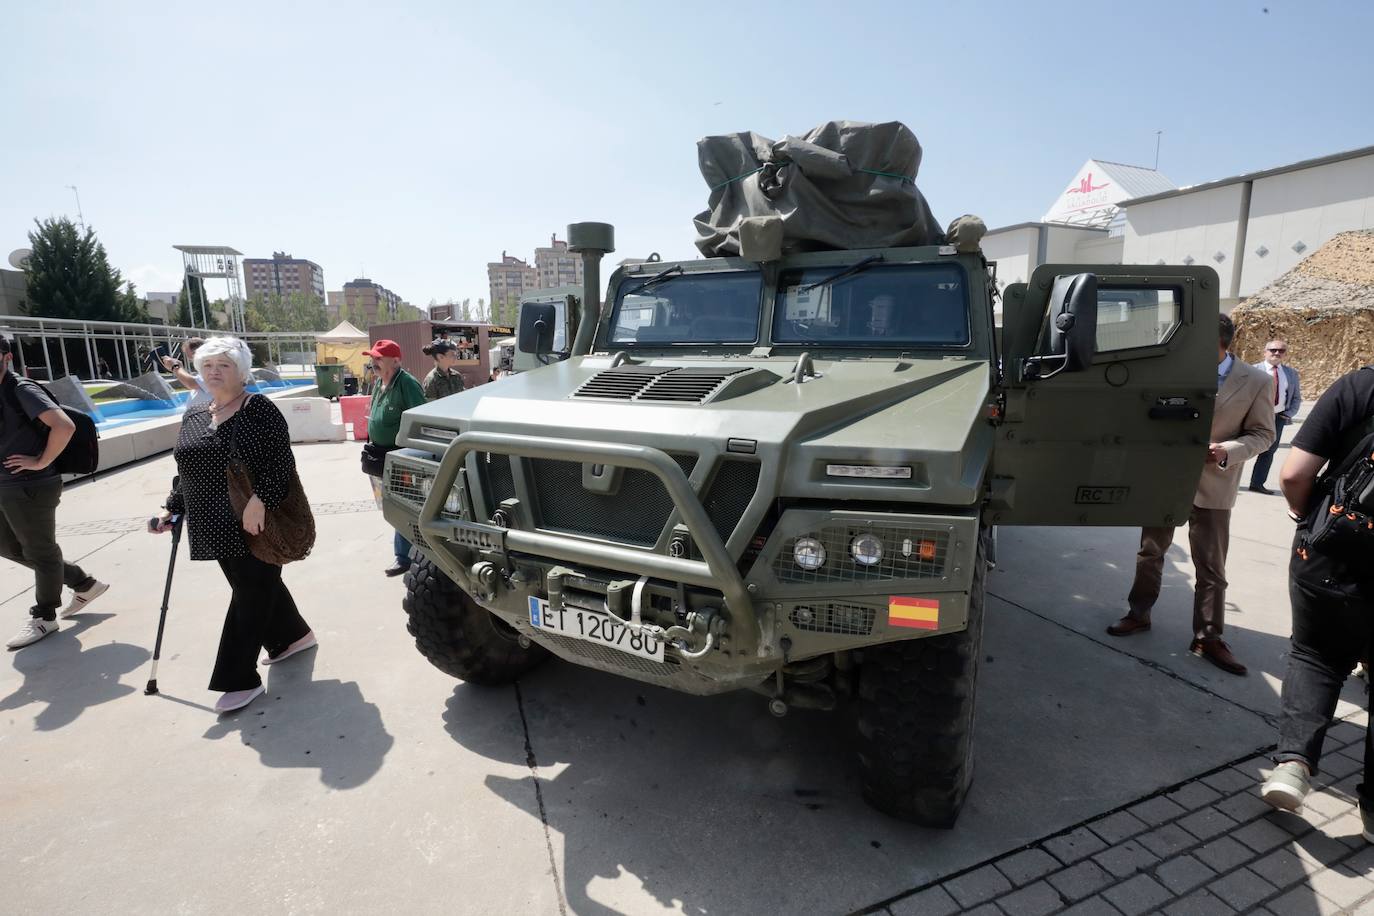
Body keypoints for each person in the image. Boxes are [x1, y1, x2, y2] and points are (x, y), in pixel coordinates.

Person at [150, 336, 314, 713]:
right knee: (251, 584)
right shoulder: (196, 413)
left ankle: (238, 677)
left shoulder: (258, 409)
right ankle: (293, 636)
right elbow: (186, 471)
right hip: (212, 522)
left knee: (250, 593)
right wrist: (172, 509)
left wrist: (260, 502)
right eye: (207, 365)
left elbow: (281, 464)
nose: (214, 372)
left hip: (254, 520)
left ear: (240, 371)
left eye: (223, 365)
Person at [1106, 315, 1275, 676]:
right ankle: (1139, 614)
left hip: (1215, 483)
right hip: (1166, 479)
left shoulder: (1256, 380)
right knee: (1149, 553)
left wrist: (1228, 449)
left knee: (1211, 567)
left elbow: (1263, 434)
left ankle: (1208, 637)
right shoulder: (1172, 369)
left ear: (1218, 341)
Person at [1261, 365, 1374, 826]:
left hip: (1332, 559)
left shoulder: (1360, 386)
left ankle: (1294, 767)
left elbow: (1294, 473)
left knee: (1315, 655)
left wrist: (1311, 517)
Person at [1, 334, 110, 649]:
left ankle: (44, 616)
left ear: (6, 357)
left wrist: (40, 461)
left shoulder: (20, 388)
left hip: (29, 486)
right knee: (10, 547)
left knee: (40, 551)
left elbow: (64, 425)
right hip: (5, 485)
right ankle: (82, 583)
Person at [364, 339, 426, 577]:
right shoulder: (379, 383)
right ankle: (407, 554)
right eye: (373, 358)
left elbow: (421, 419)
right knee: (389, 506)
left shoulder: (407, 384)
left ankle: (406, 557)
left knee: (404, 506)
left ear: (396, 361)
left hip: (400, 458)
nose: (374, 362)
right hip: (379, 458)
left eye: (379, 358)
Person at [1248, 338, 1302, 494]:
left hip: (1277, 418)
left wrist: (1288, 414)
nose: (1277, 353)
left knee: (1269, 451)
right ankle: (1225, 483)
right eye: (1273, 350)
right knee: (1240, 447)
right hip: (1253, 417)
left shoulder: (1290, 373)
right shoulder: (1252, 370)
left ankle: (1257, 483)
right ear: (1265, 352)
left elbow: (1296, 397)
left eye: (1281, 351)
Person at [161, 337, 211, 411]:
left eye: (191, 356)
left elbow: (192, 383)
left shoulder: (213, 368)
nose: (191, 360)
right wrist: (180, 368)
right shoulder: (205, 369)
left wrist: (175, 367)